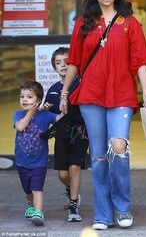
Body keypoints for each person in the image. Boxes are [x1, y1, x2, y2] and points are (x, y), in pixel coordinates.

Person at [59, 0, 146, 230]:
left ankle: (122, 209)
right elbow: (75, 62)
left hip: (121, 94)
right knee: (99, 156)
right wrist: (65, 93)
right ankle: (102, 214)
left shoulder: (129, 22)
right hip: (90, 95)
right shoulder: (83, 23)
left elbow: (141, 61)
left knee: (119, 148)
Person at [43, 46, 89, 222]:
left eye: (66, 61)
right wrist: (47, 109)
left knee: (75, 167)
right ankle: (71, 189)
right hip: (61, 135)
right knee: (63, 174)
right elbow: (49, 112)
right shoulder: (53, 90)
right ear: (54, 68)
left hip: (80, 133)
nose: (63, 65)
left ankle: (73, 205)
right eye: (58, 63)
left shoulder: (81, 84)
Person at [14, 81, 64, 226]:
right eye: (22, 96)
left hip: (39, 162)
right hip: (22, 161)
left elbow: (59, 119)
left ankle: (38, 212)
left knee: (37, 187)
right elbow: (20, 127)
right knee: (27, 188)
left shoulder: (45, 115)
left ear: (38, 100)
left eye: (29, 97)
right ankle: (30, 205)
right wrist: (31, 112)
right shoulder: (18, 115)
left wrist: (59, 107)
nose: (24, 100)